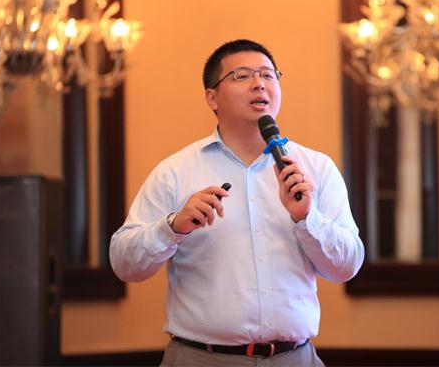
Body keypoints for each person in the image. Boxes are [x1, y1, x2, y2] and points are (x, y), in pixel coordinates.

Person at [109, 39, 365, 366]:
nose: (259, 83)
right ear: (212, 97)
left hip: (295, 358)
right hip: (201, 359)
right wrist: (173, 227)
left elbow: (347, 267)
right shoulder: (176, 171)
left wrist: (307, 218)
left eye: (268, 75)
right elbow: (124, 264)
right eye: (242, 76)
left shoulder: (315, 169)